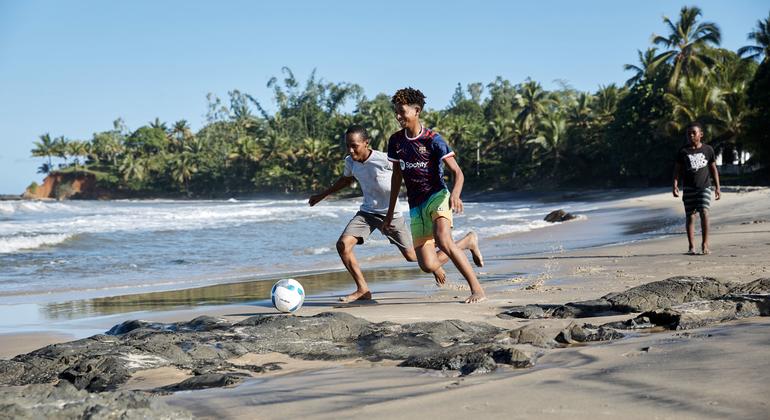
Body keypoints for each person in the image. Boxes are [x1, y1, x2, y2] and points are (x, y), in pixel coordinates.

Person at [309, 125, 481, 303]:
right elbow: (345, 180)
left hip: (392, 215)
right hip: (367, 213)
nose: (350, 150)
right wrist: (322, 195)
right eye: (347, 146)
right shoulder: (350, 162)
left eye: (354, 145)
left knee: (413, 257)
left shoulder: (384, 160)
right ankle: (363, 289)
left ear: (366, 143)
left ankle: (464, 244)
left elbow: (403, 174)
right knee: (343, 245)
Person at [382, 87, 486, 303]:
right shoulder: (396, 142)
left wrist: (455, 195)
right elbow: (396, 178)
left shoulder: (433, 140)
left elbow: (457, 172)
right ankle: (467, 242)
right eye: (396, 112)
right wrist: (390, 213)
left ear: (417, 110)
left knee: (443, 239)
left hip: (437, 196)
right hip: (416, 205)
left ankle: (477, 290)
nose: (398, 116)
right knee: (428, 265)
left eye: (402, 111)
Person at [672, 121, 721, 255]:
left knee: (704, 212)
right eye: (688, 134)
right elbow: (677, 170)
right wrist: (675, 185)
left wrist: (717, 187)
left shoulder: (708, 149)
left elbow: (713, 169)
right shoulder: (683, 151)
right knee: (690, 216)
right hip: (688, 188)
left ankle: (705, 245)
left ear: (701, 134)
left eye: (694, 133)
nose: (691, 136)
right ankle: (691, 247)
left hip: (704, 187)